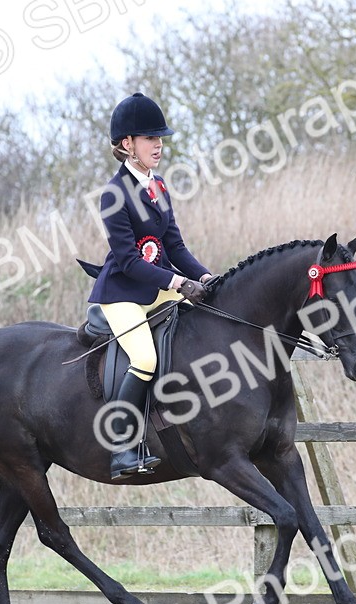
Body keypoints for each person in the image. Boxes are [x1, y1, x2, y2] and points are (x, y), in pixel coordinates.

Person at [90, 92, 217, 480]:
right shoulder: (114, 195)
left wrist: (205, 276)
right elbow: (128, 261)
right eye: (149, 138)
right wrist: (178, 281)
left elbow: (175, 245)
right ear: (127, 144)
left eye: (160, 138)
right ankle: (122, 448)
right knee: (144, 359)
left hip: (159, 285)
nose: (158, 144)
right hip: (122, 293)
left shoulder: (158, 186)